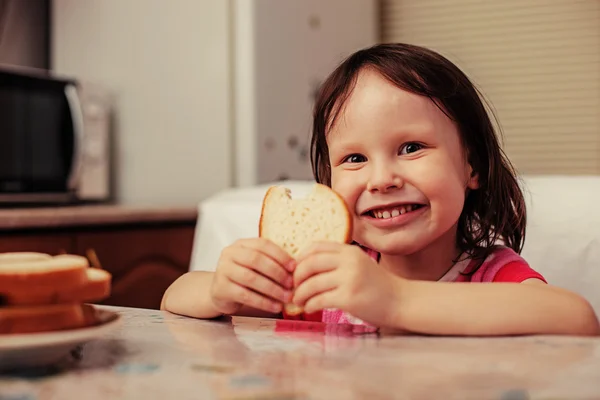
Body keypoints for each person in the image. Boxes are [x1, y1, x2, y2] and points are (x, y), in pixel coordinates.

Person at [161, 43, 599, 336]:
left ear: (473, 166)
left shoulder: (490, 275)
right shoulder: (318, 277)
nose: (381, 179)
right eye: (354, 158)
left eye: (411, 147)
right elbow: (174, 297)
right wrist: (221, 288)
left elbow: (578, 320)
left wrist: (393, 300)